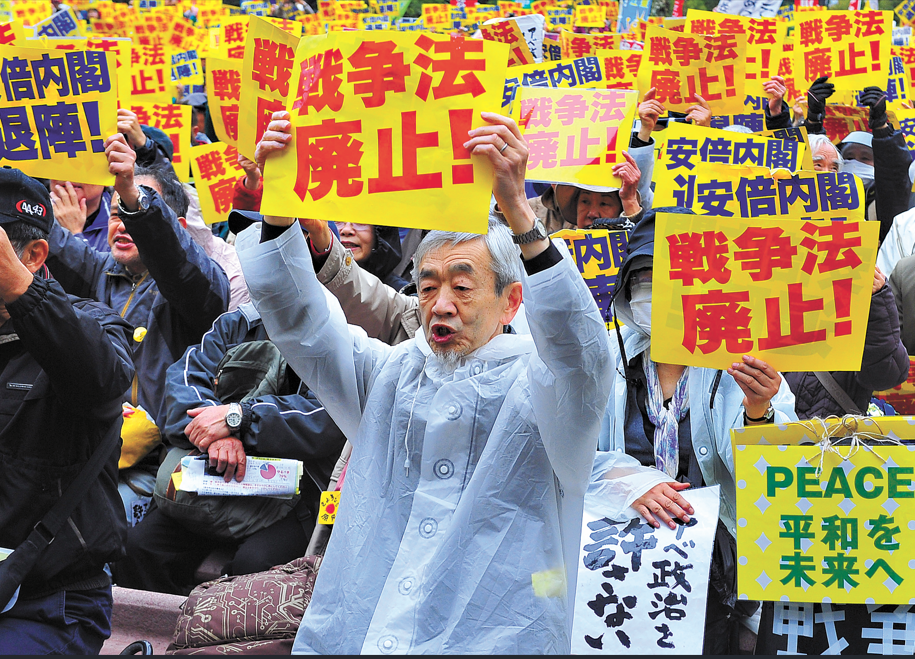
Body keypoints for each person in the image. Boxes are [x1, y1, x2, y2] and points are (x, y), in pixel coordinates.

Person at [234, 110, 613, 653]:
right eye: (428, 284)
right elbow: (304, 326)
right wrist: (278, 212)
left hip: (496, 632)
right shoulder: (392, 373)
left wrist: (522, 216)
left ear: (511, 300)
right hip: (369, 621)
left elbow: (582, 358)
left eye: (463, 286)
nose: (441, 304)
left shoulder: (544, 389)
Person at [590, 209, 798, 654]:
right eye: (645, 277)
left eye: (670, 277)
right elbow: (571, 455)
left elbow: (775, 478)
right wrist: (632, 482)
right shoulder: (606, 357)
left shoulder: (745, 360)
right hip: (615, 565)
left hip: (714, 574)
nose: (656, 291)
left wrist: (758, 411)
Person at [45, 139, 230, 525]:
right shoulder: (100, 271)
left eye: (134, 210)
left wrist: (131, 192)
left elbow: (178, 261)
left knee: (94, 527)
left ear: (176, 227)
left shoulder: (201, 284)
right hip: (89, 448)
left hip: (156, 461)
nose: (122, 223)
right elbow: (47, 240)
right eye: (115, 213)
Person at [114, 303, 347, 595]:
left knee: (257, 567)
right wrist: (219, 432)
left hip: (296, 494)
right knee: (139, 549)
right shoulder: (236, 324)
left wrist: (241, 421)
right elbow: (182, 381)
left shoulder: (335, 330)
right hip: (213, 477)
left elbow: (328, 416)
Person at [0, 168, 135, 653]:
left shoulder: (92, 322)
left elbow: (101, 383)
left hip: (51, 602)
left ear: (34, 256)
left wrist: (19, 290)